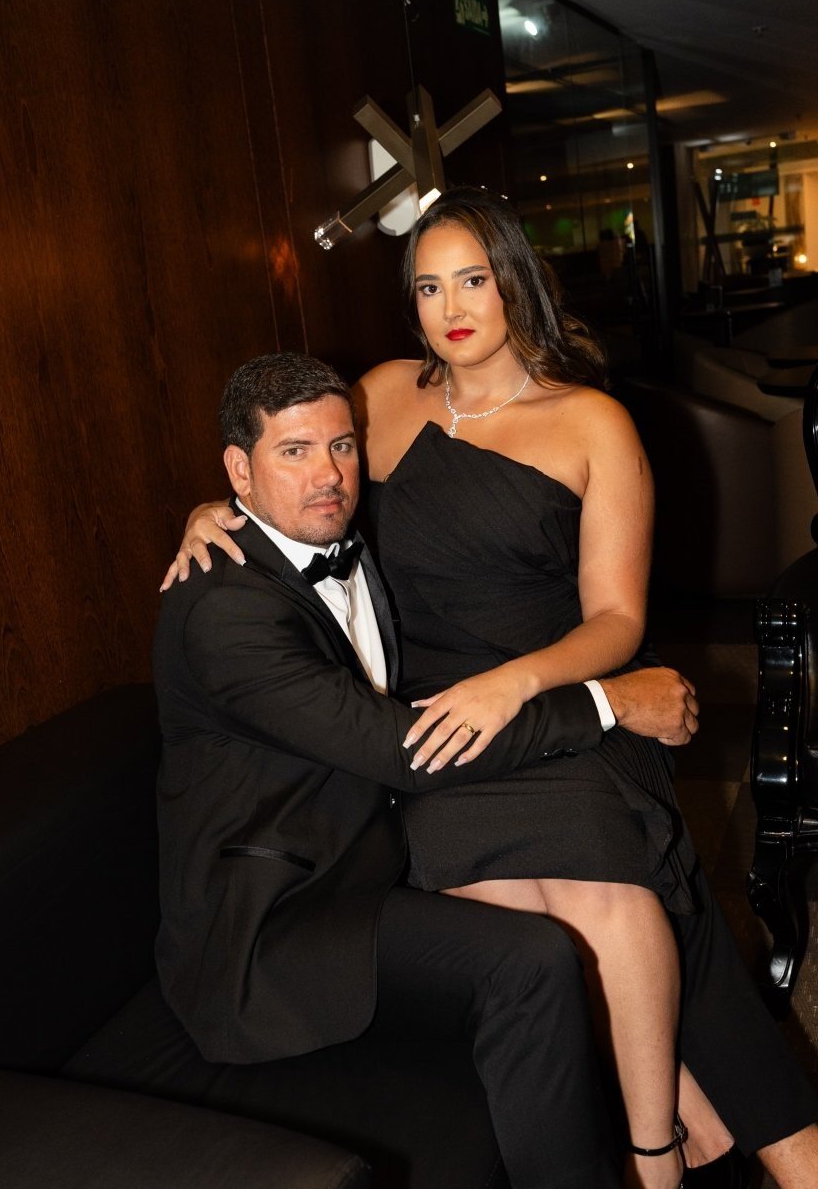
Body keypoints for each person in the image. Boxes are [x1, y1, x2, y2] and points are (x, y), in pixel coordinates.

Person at [163, 190, 818, 1188]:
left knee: (614, 881)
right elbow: (304, 474)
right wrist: (215, 509)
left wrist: (518, 683)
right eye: (428, 287)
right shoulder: (382, 393)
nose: (452, 307)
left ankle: (660, 1153)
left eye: (472, 278)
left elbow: (616, 620)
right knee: (533, 910)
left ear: (514, 278)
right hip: (425, 727)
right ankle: (722, 1133)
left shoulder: (590, 419)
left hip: (547, 694)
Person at [153, 351, 704, 1189]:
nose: (328, 475)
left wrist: (215, 509)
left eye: (341, 446)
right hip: (275, 925)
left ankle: (679, 1128)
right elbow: (405, 749)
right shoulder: (224, 611)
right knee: (529, 961)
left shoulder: (337, 536)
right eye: (293, 452)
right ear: (239, 469)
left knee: (594, 856)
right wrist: (609, 702)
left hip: (363, 852)